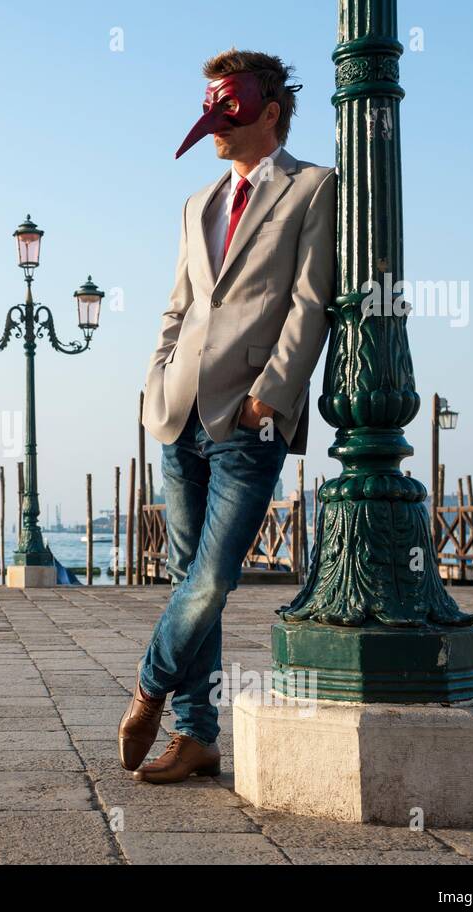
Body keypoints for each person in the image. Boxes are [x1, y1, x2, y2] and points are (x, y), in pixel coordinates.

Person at [119, 49, 335, 784]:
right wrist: (157, 382)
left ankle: (150, 686)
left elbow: (310, 304)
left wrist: (271, 395)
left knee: (211, 581)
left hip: (251, 419)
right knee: (188, 576)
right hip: (177, 416)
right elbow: (178, 308)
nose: (214, 128)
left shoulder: (314, 188)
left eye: (228, 112)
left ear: (269, 112)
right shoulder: (195, 203)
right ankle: (198, 736)